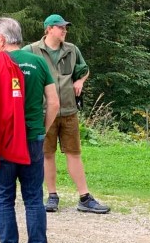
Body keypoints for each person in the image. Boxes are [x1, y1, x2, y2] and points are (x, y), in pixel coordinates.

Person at [0, 17, 59, 243]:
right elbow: (54, 103)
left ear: (2, 39)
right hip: (32, 138)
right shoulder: (38, 62)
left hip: (2, 140)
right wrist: (41, 130)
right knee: (33, 197)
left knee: (3, 197)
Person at [24, 14, 110, 214]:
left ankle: (84, 198)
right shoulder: (31, 50)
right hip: (44, 111)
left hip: (69, 110)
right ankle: (52, 196)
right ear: (49, 29)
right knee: (47, 154)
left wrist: (80, 80)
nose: (64, 30)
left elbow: (84, 69)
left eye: (65, 27)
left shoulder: (72, 50)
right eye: (60, 27)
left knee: (74, 153)